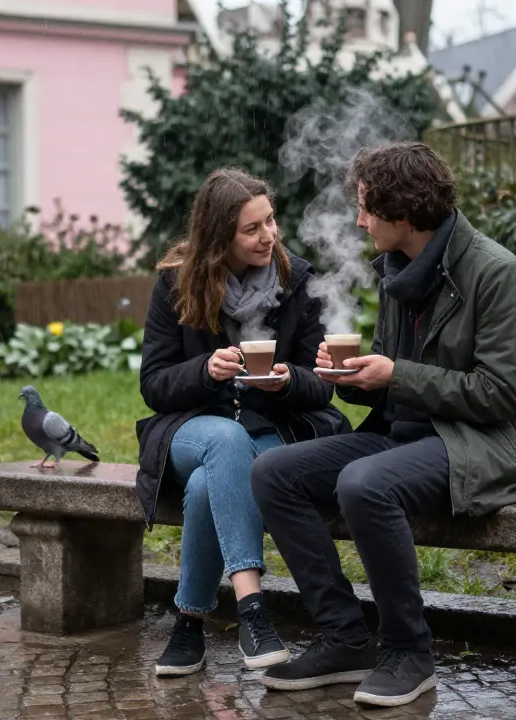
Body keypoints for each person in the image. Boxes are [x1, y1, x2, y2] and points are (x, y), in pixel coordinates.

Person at [249, 141, 516, 707]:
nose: (359, 220)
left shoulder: (497, 273)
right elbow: (392, 376)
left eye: (366, 208)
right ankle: (344, 637)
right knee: (272, 472)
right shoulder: (399, 272)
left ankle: (410, 652)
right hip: (406, 433)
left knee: (365, 483)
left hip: (482, 443)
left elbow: (501, 396)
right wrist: (353, 377)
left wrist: (395, 375)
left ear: (402, 213)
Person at [135, 166, 350, 678]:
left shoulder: (296, 280)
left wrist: (286, 382)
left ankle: (188, 624)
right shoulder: (175, 284)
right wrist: (205, 371)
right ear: (218, 237)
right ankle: (253, 609)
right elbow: (154, 383)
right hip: (192, 429)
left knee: (214, 481)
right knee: (223, 441)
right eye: (252, 229)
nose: (268, 235)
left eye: (271, 221)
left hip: (274, 430)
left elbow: (323, 383)